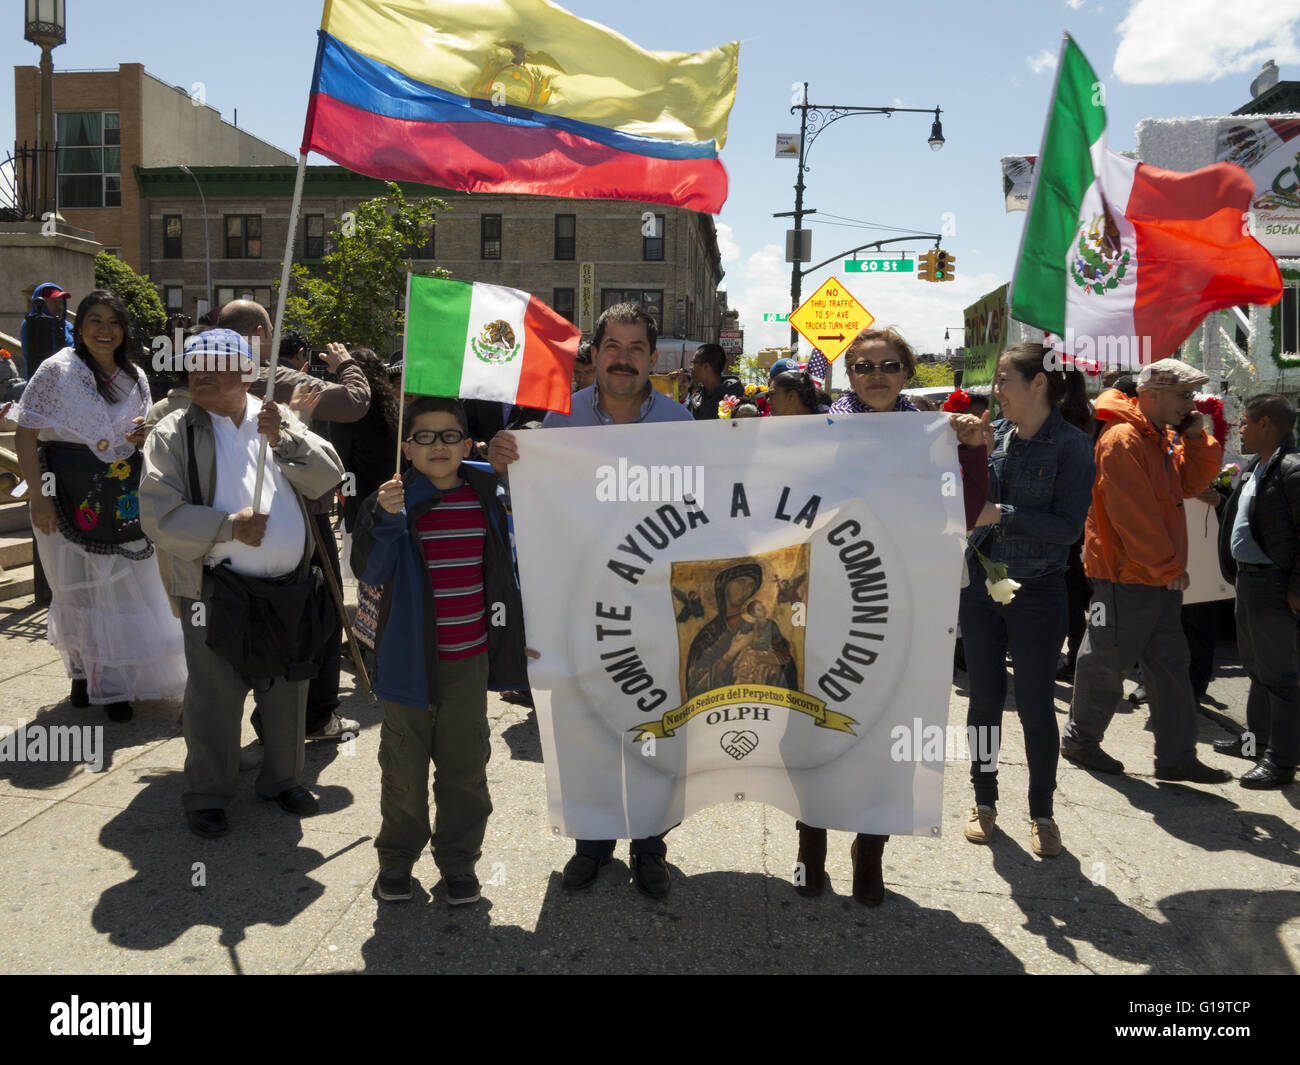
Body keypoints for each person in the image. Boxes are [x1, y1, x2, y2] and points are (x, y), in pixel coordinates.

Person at [487, 302, 692, 899]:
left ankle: (650, 842)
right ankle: (592, 842)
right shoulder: (560, 421)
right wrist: (506, 467)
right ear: (595, 354)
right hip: (582, 605)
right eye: (612, 346)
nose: (623, 359)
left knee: (655, 724)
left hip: (659, 606)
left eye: (635, 349)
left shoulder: (683, 424)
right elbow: (536, 501)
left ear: (652, 359)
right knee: (588, 724)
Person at [798, 325, 990, 905]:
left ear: (908, 373)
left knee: (888, 730)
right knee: (815, 726)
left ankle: (870, 852)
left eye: (888, 365)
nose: (876, 375)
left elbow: (971, 508)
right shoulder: (816, 434)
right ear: (848, 374)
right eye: (863, 366)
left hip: (902, 607)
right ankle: (811, 851)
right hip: (828, 602)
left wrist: (974, 450)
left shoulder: (932, 437)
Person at [139, 329, 346, 838]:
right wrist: (229, 527)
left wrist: (287, 437)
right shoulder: (172, 433)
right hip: (216, 589)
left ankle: (282, 780)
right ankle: (208, 793)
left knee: (287, 691)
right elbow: (157, 514)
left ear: (246, 371)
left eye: (214, 363)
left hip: (290, 586)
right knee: (214, 696)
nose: (201, 373)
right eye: (194, 364)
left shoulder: (275, 418)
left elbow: (327, 477)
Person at [351, 397, 527, 904]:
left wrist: (510, 451)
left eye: (450, 435)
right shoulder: (391, 499)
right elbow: (371, 571)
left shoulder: (484, 487)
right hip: (407, 660)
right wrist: (386, 519)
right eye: (424, 437)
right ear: (406, 447)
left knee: (466, 768)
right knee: (403, 770)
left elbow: (533, 484)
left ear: (467, 443)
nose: (438, 446)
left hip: (468, 660)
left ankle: (458, 861)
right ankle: (397, 860)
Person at [14, 288, 187, 721]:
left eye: (113, 322)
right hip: (67, 490)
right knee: (78, 587)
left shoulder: (136, 377)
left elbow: (143, 434)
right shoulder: (56, 371)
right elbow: (25, 432)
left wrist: (138, 437)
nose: (104, 330)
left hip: (122, 492)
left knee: (124, 587)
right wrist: (38, 497)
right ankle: (83, 674)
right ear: (81, 326)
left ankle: (116, 683)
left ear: (123, 329)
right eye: (95, 321)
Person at [1061, 359, 1231, 783]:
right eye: (1184, 395)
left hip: (1150, 575)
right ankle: (1082, 740)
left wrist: (1196, 440)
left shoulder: (1154, 436)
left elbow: (1188, 487)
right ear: (1152, 394)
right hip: (1127, 575)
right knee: (1105, 662)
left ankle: (1176, 756)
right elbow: (1131, 515)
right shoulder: (1124, 438)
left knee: (1170, 667)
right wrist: (1166, 566)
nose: (1191, 403)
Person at [961, 344, 1096, 857]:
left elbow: (1067, 529)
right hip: (980, 589)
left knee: (1037, 708)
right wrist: (965, 447)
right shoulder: (992, 437)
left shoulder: (1072, 446)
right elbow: (967, 496)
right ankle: (983, 798)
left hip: (1038, 592)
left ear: (1038, 384)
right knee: (983, 702)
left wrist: (1004, 513)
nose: (996, 391)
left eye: (1003, 381)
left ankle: (1042, 811)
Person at [220, 300, 367, 743]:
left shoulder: (210, 381)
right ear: (260, 333)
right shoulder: (272, 378)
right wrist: (348, 366)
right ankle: (314, 717)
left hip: (240, 520)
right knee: (321, 613)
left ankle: (275, 719)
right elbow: (355, 402)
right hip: (298, 513)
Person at [1215, 393, 1300, 787]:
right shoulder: (1256, 465)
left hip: (1273, 585)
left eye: (1246, 423)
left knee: (1279, 676)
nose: (1240, 429)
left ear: (1266, 424)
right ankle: (1254, 743)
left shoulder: (1291, 470)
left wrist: (1295, 587)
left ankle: (1281, 762)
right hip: (1248, 581)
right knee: (1256, 669)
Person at [685, 343, 744, 419]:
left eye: (694, 363)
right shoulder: (695, 399)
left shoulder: (736, 396)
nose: (691, 368)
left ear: (706, 366)